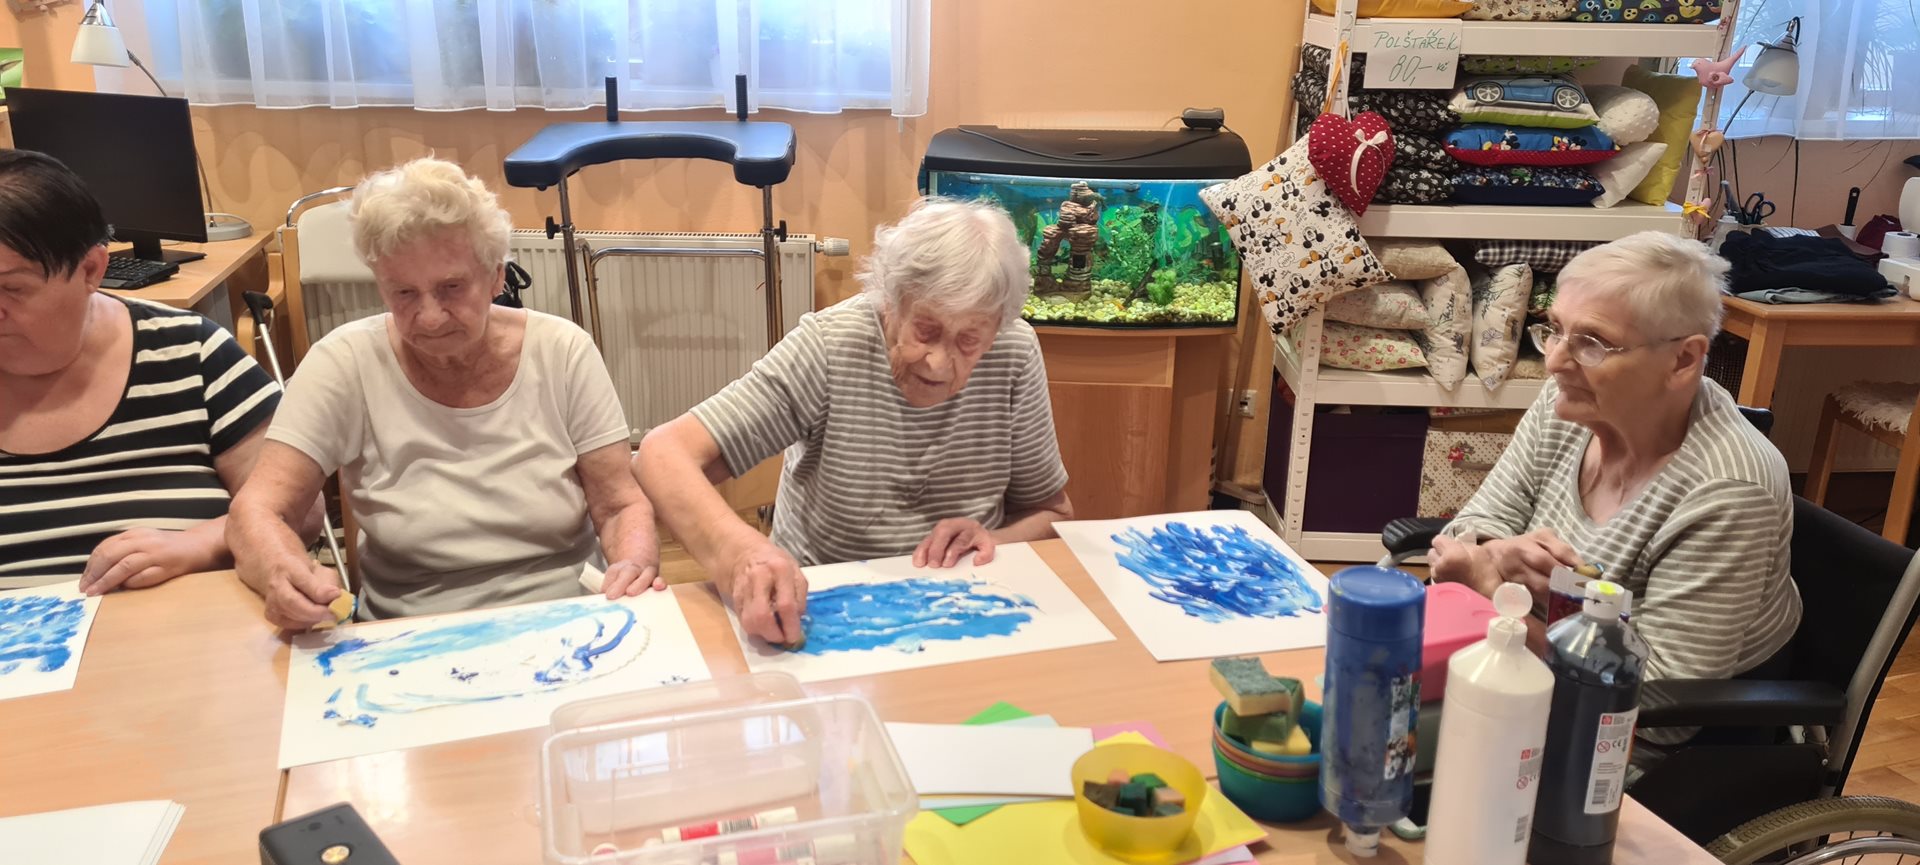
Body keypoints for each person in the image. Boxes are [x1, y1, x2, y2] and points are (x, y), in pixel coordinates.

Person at [228, 157, 661, 629]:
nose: (430, 317)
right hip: (409, 632)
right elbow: (257, 510)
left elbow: (619, 505)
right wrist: (281, 570)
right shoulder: (344, 363)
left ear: (496, 276)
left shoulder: (562, 350)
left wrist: (632, 565)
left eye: (451, 287)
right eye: (403, 293)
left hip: (567, 619)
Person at [637, 198, 1073, 644]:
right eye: (926, 330)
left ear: (997, 327)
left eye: (969, 341)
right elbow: (662, 454)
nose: (940, 363)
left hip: (963, 609)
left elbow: (1051, 513)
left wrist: (995, 539)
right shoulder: (830, 347)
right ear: (891, 301)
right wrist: (741, 553)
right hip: (823, 609)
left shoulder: (1015, 352)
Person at [1430, 231, 1802, 696]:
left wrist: (1494, 596)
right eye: (1555, 329)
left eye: (1593, 343)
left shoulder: (1727, 491)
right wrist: (1494, 550)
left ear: (1683, 360)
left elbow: (1657, 703)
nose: (1555, 362)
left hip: (1630, 722)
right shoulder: (1571, 404)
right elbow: (1473, 527)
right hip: (1530, 663)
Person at [0, 149, 302, 593]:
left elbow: (298, 510)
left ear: (91, 269)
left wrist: (200, 544)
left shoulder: (191, 352)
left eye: (11, 288)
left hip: (190, 630)